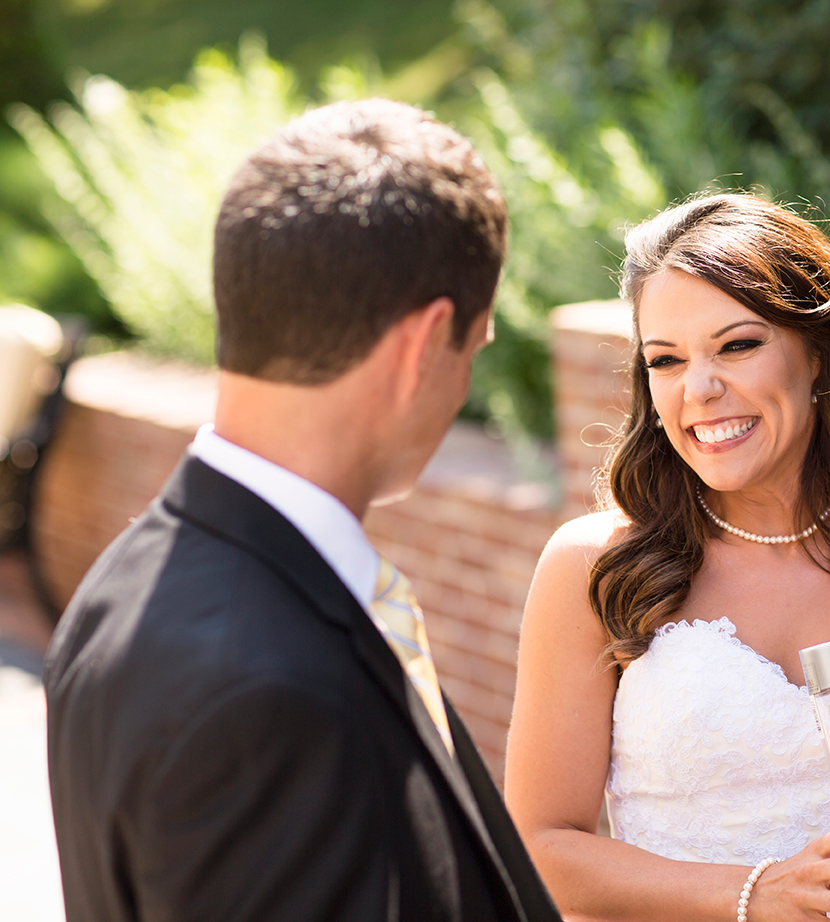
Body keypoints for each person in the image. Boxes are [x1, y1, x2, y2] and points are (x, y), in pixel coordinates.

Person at [44, 99, 561, 922]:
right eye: (476, 346)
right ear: (424, 346)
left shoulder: (122, 584)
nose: (466, 380)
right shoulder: (267, 696)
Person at [505, 193, 830, 922]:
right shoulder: (595, 570)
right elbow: (538, 849)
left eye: (737, 345)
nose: (700, 389)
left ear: (816, 354)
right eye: (666, 360)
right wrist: (751, 895)